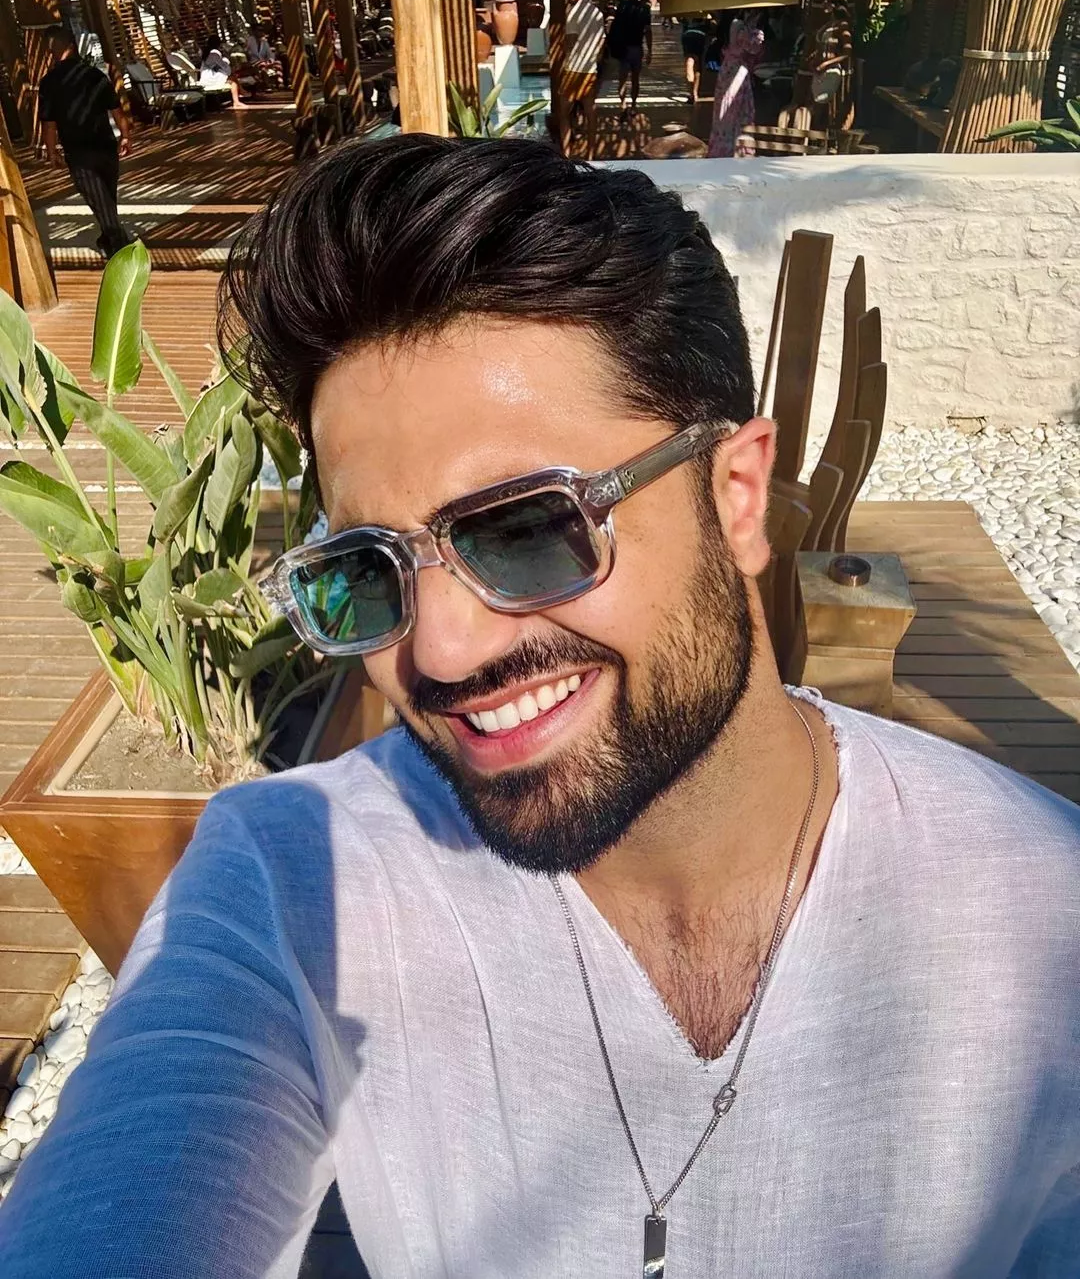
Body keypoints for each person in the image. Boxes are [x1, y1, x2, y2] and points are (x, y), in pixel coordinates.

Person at [2, 138, 1079, 1278]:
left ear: (737, 494)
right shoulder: (289, 882)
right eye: (367, 571)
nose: (441, 648)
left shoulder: (1040, 914)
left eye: (528, 528)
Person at [37, 25, 132, 259]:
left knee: (100, 199)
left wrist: (52, 152)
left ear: (51, 51)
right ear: (72, 46)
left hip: (79, 152)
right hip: (106, 146)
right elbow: (116, 110)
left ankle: (120, 249)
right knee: (106, 197)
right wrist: (125, 136)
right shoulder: (94, 75)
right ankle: (108, 237)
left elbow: (49, 124)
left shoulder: (49, 83)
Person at [560, 0, 606, 157]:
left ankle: (566, 154)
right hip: (590, 69)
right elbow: (602, 42)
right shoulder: (597, 13)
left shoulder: (573, 13)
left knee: (563, 113)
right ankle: (591, 153)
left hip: (573, 68)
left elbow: (570, 42)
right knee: (590, 111)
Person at [707, 18, 765, 157]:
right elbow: (753, 48)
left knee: (724, 109)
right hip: (737, 72)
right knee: (737, 111)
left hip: (727, 70)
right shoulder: (739, 26)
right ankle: (734, 149)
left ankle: (721, 147)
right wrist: (757, 33)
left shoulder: (728, 26)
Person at [605, 0, 652, 121]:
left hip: (623, 47)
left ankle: (623, 105)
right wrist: (650, 50)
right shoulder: (644, 9)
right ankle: (634, 105)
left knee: (623, 78)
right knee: (635, 78)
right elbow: (648, 31)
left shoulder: (622, 7)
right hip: (637, 47)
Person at [680, 14, 711, 103]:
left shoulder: (687, 10)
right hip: (700, 36)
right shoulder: (704, 11)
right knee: (697, 64)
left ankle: (691, 93)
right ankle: (695, 92)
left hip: (688, 35)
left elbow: (680, 19)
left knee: (690, 63)